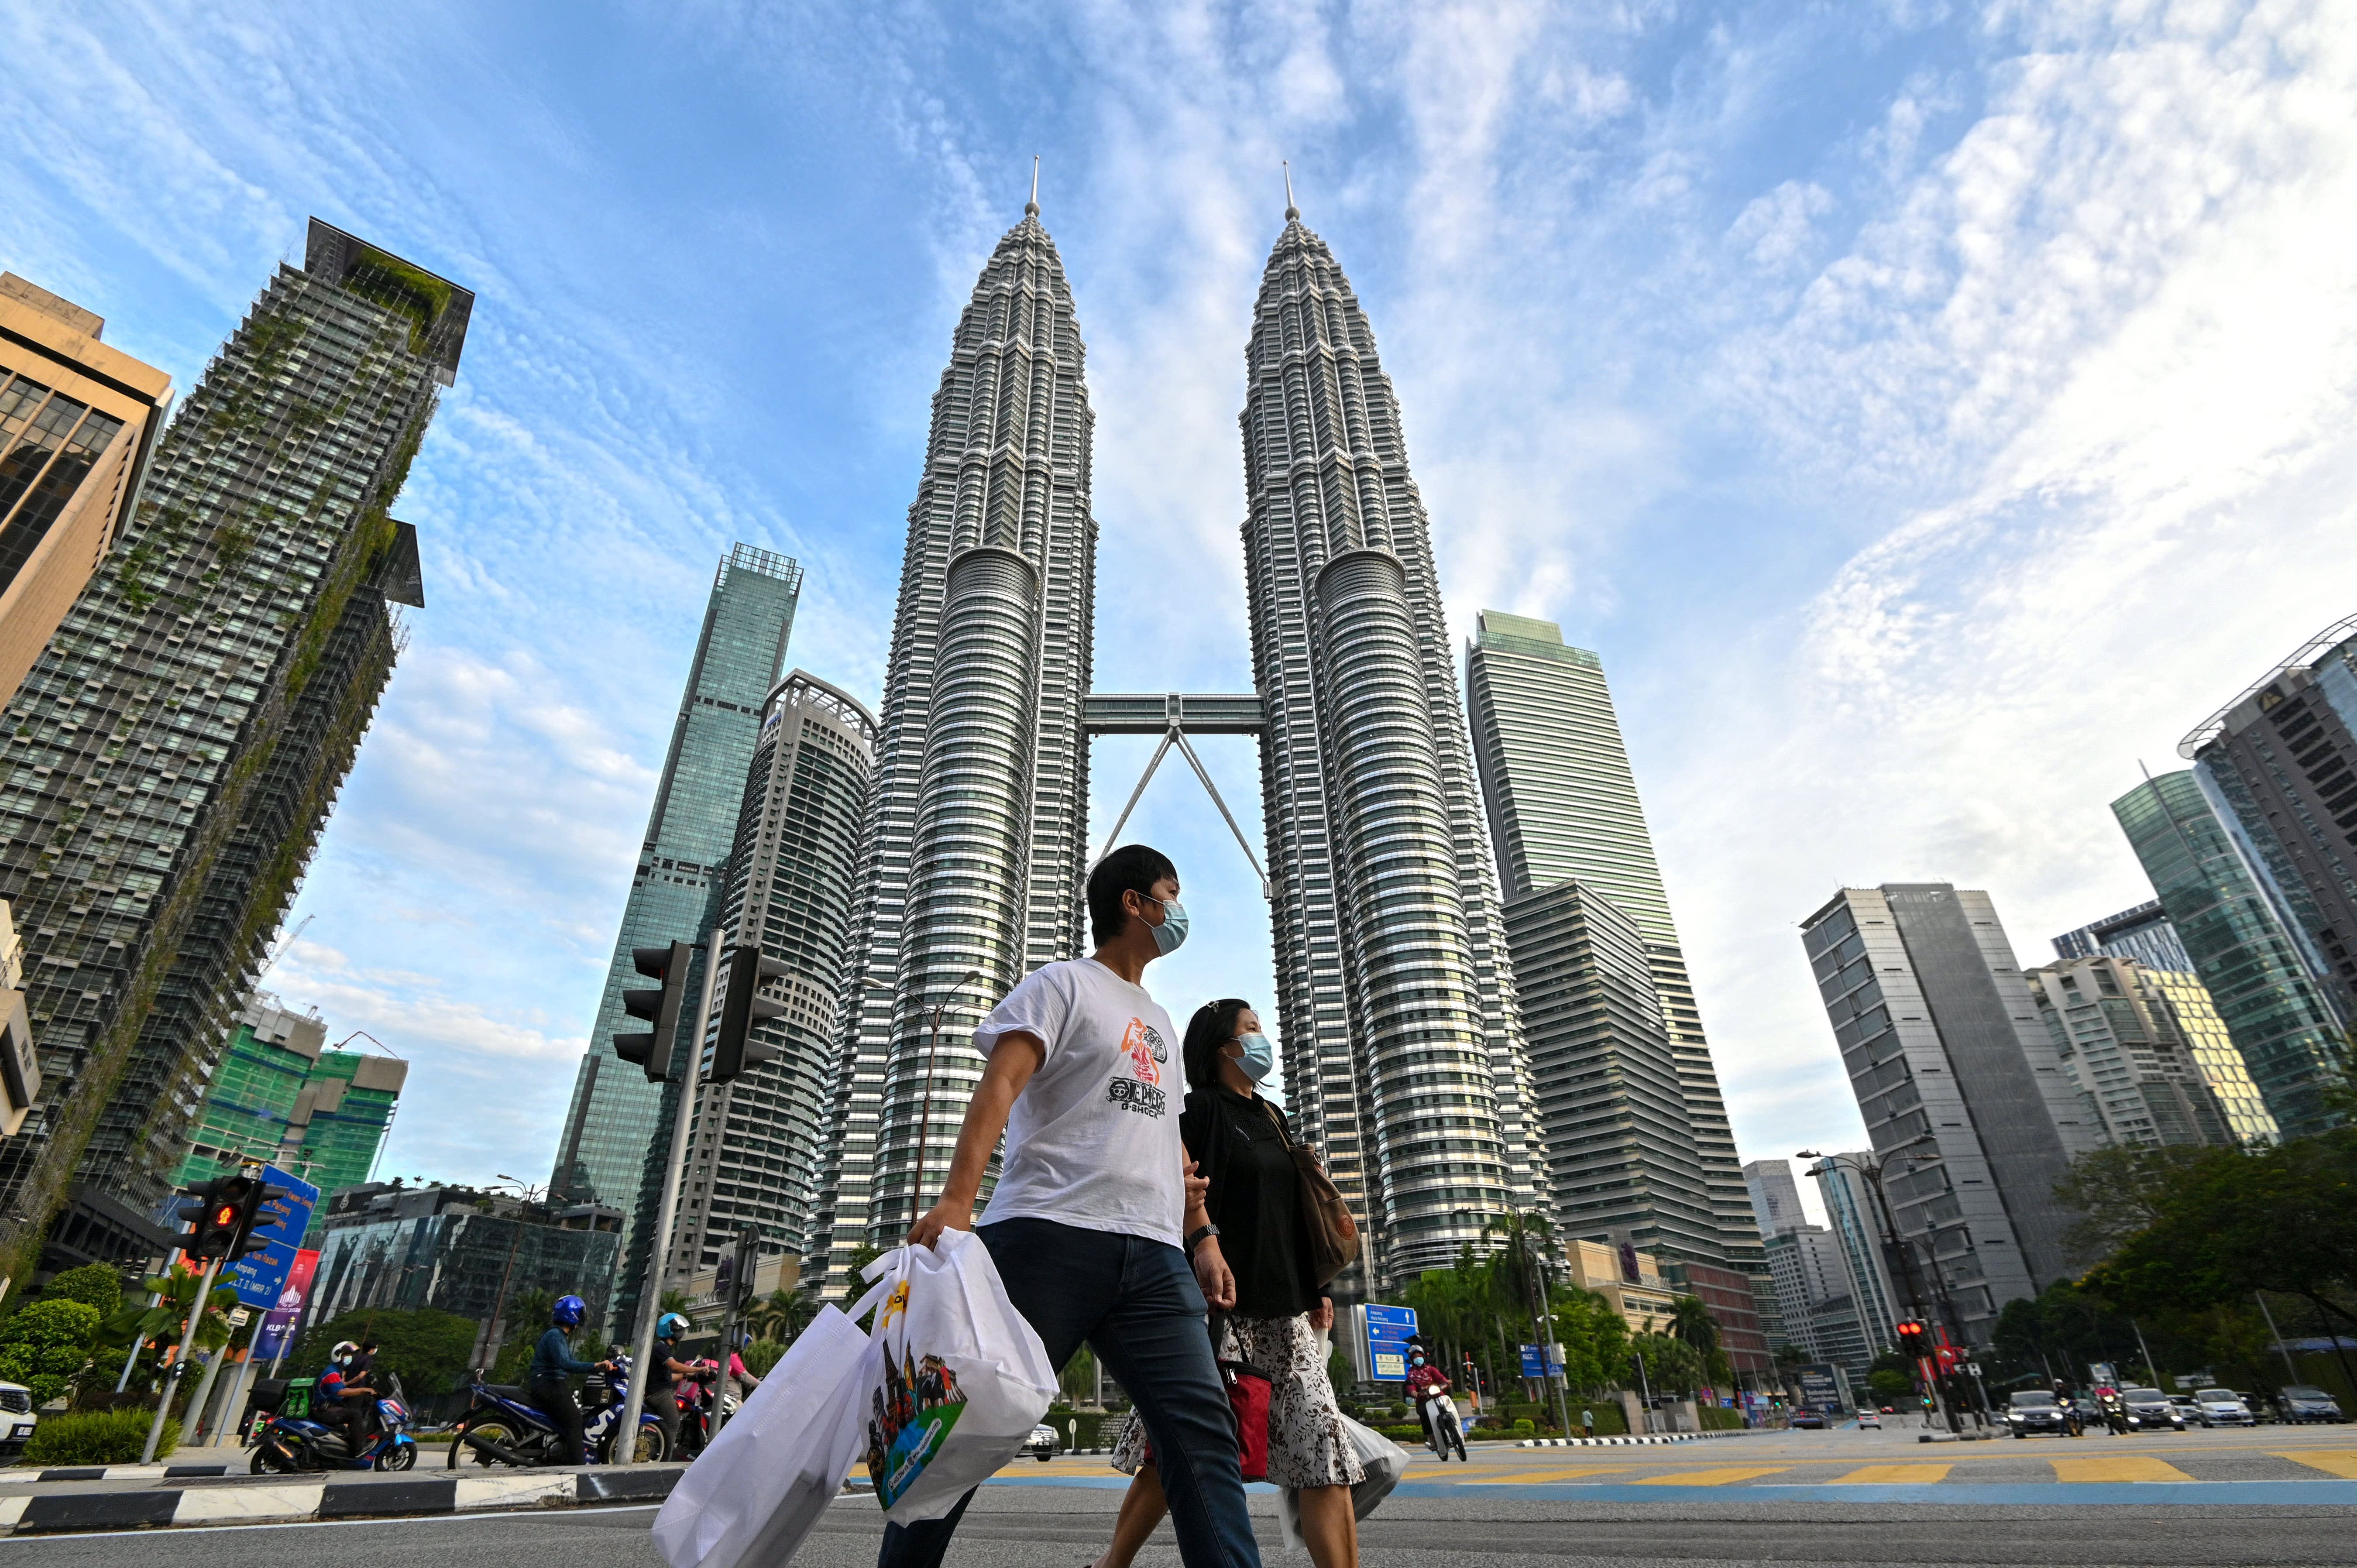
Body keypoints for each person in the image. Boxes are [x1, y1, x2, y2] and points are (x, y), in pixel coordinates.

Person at [884, 845, 1261, 1568]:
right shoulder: (1060, 985)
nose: (1179, 909)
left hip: (1153, 1257)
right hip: (1045, 1237)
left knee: (1202, 1435)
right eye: (1170, 893)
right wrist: (958, 1200)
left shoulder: (1157, 1018)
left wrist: (1202, 1234)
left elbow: (1168, 1140)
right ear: (1133, 903)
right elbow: (1001, 1084)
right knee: (965, 1430)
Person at [1093, 997, 1362, 1568]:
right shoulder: (1200, 1111)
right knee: (1178, 1453)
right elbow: (1175, 1181)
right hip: (1223, 1310)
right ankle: (1112, 1564)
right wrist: (1203, 1242)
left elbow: (1291, 1214)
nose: (1262, 1037)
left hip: (1287, 1312)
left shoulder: (1272, 1116)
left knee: (1325, 1457)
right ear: (1224, 1048)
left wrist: (1318, 1290)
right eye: (1251, 1029)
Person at [528, 1294, 612, 1465]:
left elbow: (572, 1362)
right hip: (548, 1385)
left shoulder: (559, 1337)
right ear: (572, 1315)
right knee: (575, 1420)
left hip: (549, 1384)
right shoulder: (555, 1336)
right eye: (580, 1314)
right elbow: (566, 1364)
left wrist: (595, 1366)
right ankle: (577, 1468)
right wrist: (595, 1365)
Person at [646, 1313, 699, 1458]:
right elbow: (675, 1366)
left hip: (659, 1390)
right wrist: (698, 1369)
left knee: (666, 1424)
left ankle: (659, 1451)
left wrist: (686, 1376)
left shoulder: (663, 1348)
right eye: (679, 1329)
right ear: (670, 1330)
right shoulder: (661, 1348)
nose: (681, 1333)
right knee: (674, 1424)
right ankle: (665, 1458)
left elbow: (667, 1376)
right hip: (660, 1394)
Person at [1406, 1350, 1465, 1462]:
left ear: (1423, 1357)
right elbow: (1411, 1386)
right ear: (1412, 1360)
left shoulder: (1431, 1369)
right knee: (1424, 1415)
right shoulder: (1411, 1373)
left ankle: (1458, 1429)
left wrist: (1446, 1382)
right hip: (1423, 1399)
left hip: (1438, 1395)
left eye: (1420, 1356)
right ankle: (1432, 1440)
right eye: (1415, 1357)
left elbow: (1440, 1378)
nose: (1418, 1359)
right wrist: (1414, 1392)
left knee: (1450, 1408)